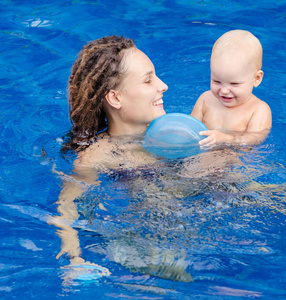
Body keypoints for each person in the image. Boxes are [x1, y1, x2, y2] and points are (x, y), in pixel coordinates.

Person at [51, 35, 170, 281]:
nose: (163, 85)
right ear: (115, 98)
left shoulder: (173, 133)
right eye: (148, 80)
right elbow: (67, 206)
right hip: (140, 235)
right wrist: (74, 255)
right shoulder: (98, 155)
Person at [191, 30, 272, 147]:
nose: (224, 90)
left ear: (257, 78)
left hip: (234, 160)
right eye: (217, 81)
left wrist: (227, 139)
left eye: (234, 84)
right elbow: (190, 128)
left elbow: (256, 139)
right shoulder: (205, 99)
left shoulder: (258, 110)